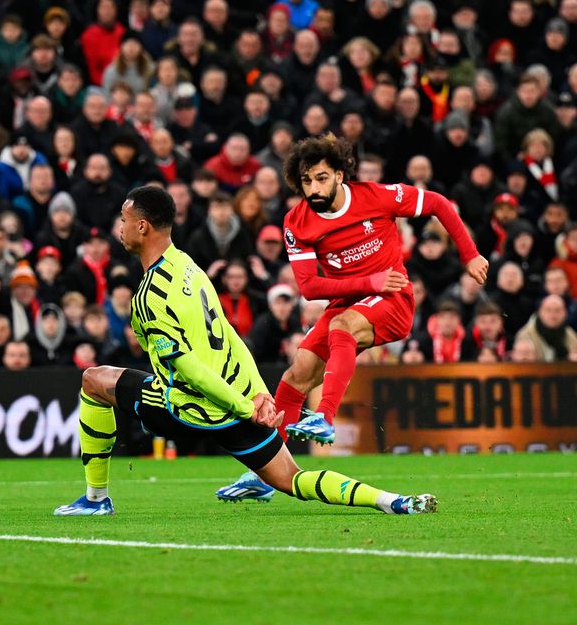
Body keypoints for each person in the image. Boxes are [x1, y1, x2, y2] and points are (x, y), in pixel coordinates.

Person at [54, 185, 437, 516]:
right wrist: (256, 393)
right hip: (235, 395)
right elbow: (230, 335)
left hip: (188, 406)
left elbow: (187, 369)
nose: (118, 228)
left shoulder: (149, 296)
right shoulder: (189, 266)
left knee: (93, 380)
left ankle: (95, 498)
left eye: (123, 220)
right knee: (292, 479)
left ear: (142, 226)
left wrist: (245, 406)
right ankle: (392, 500)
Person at [258, 134, 489, 448]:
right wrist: (369, 282)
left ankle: (324, 417)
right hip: (350, 300)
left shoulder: (376, 196)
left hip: (393, 298)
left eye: (322, 178)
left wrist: (470, 254)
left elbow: (436, 202)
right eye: (306, 181)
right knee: (296, 375)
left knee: (342, 326)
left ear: (340, 175)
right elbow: (310, 288)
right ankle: (268, 469)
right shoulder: (296, 222)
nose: (314, 188)